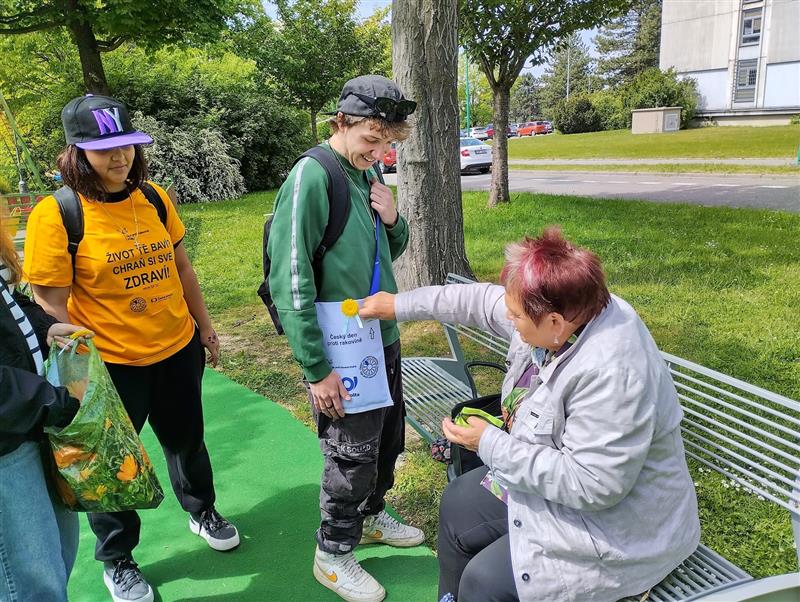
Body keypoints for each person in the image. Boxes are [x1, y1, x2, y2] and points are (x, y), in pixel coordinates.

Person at [360, 228, 701, 602]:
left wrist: (488, 443)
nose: (508, 318)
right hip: (557, 493)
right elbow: (475, 301)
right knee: (459, 502)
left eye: (517, 316)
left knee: (484, 582)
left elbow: (592, 484)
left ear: (554, 323)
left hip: (619, 531)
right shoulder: (567, 310)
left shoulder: (612, 371)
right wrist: (397, 305)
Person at [23, 94, 239, 602]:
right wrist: (82, 373)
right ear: (76, 152)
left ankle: (201, 510)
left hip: (177, 347)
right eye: (104, 149)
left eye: (127, 146)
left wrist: (205, 329)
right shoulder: (57, 215)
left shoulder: (155, 198)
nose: (120, 157)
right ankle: (118, 558)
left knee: (187, 440)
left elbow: (181, 268)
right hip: (112, 365)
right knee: (113, 463)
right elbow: (50, 303)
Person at [267, 74, 423, 602]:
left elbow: (386, 250)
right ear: (341, 123)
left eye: (388, 143)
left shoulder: (368, 171)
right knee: (351, 454)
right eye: (371, 140)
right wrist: (317, 369)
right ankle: (333, 553)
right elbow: (290, 279)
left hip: (381, 334)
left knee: (387, 441)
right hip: (341, 349)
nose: (379, 153)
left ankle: (372, 516)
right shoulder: (313, 176)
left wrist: (393, 218)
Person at [0, 216, 92, 601]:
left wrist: (43, 327)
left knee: (57, 559)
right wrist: (50, 402)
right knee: (32, 582)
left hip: (32, 425)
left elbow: (9, 303)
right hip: (8, 445)